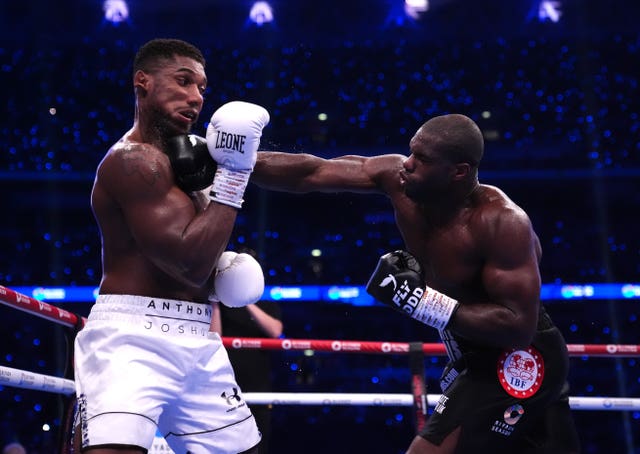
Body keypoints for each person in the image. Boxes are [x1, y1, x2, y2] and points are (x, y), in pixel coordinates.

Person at [251, 113, 580, 453]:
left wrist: (422, 301)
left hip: (518, 357)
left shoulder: (501, 222)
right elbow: (313, 172)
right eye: (411, 152)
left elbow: (518, 327)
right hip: (470, 350)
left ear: (459, 171)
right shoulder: (398, 181)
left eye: (422, 159)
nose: (407, 164)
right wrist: (236, 162)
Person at [72, 38, 270, 454]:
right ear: (142, 82)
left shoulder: (191, 158)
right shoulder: (133, 160)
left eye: (201, 88)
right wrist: (233, 177)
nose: (196, 97)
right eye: (183, 82)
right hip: (131, 339)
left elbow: (298, 172)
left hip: (198, 338)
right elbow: (189, 265)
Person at [210, 248, 283, 454]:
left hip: (257, 389)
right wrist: (215, 298)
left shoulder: (265, 304)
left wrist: (245, 297)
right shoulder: (218, 304)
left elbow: (275, 331)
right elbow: (214, 337)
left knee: (258, 448)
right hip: (224, 389)